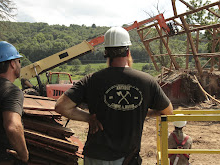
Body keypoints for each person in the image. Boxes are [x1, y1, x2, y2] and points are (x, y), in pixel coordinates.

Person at [55, 27, 173, 165]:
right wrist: (141, 111)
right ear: (128, 51)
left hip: (95, 157)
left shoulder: (91, 80)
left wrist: (88, 118)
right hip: (127, 159)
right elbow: (168, 111)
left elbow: (61, 106)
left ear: (106, 52)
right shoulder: (147, 81)